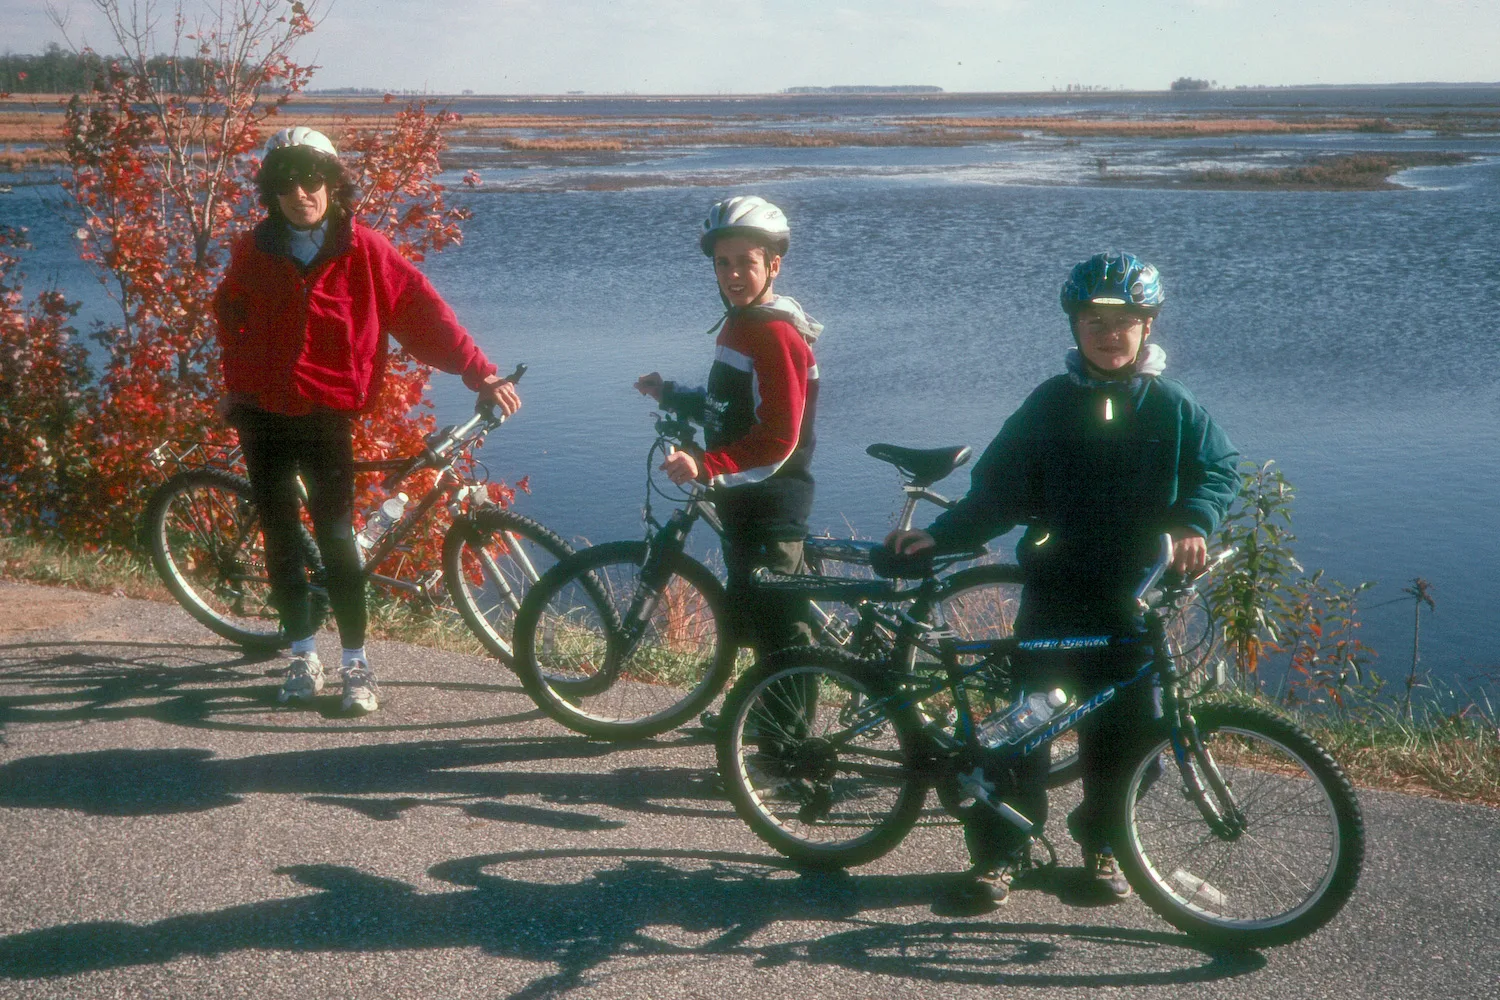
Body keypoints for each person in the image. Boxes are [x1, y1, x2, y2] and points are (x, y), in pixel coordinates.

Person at [886, 251, 1238, 911]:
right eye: (1094, 320)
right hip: (1055, 594)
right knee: (1025, 727)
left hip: (1133, 597)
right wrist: (948, 534)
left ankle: (1105, 847)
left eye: (1124, 320)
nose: (1109, 333)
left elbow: (1219, 470)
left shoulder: (1174, 406)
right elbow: (997, 489)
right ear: (1074, 326)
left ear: (1149, 324)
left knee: (1126, 738)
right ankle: (1001, 855)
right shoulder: (1049, 404)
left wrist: (1194, 522)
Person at [213, 126, 521, 714]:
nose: (300, 193)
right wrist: (235, 388)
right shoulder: (252, 251)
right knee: (279, 532)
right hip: (263, 411)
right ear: (272, 192)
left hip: (328, 410)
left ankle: (356, 665)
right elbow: (232, 321)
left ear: (332, 183)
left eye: (312, 180)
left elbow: (424, 314)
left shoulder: (366, 250)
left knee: (335, 538)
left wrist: (481, 372)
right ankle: (303, 654)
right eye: (286, 183)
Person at [634, 196, 823, 714]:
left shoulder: (775, 332)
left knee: (783, 629)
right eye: (724, 262)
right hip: (744, 500)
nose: (734, 273)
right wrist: (670, 393)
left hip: (772, 503)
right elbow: (729, 405)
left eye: (747, 261)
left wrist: (707, 465)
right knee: (758, 621)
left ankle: (792, 751)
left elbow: (779, 438)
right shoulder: (740, 323)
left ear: (773, 265)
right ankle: (759, 724)